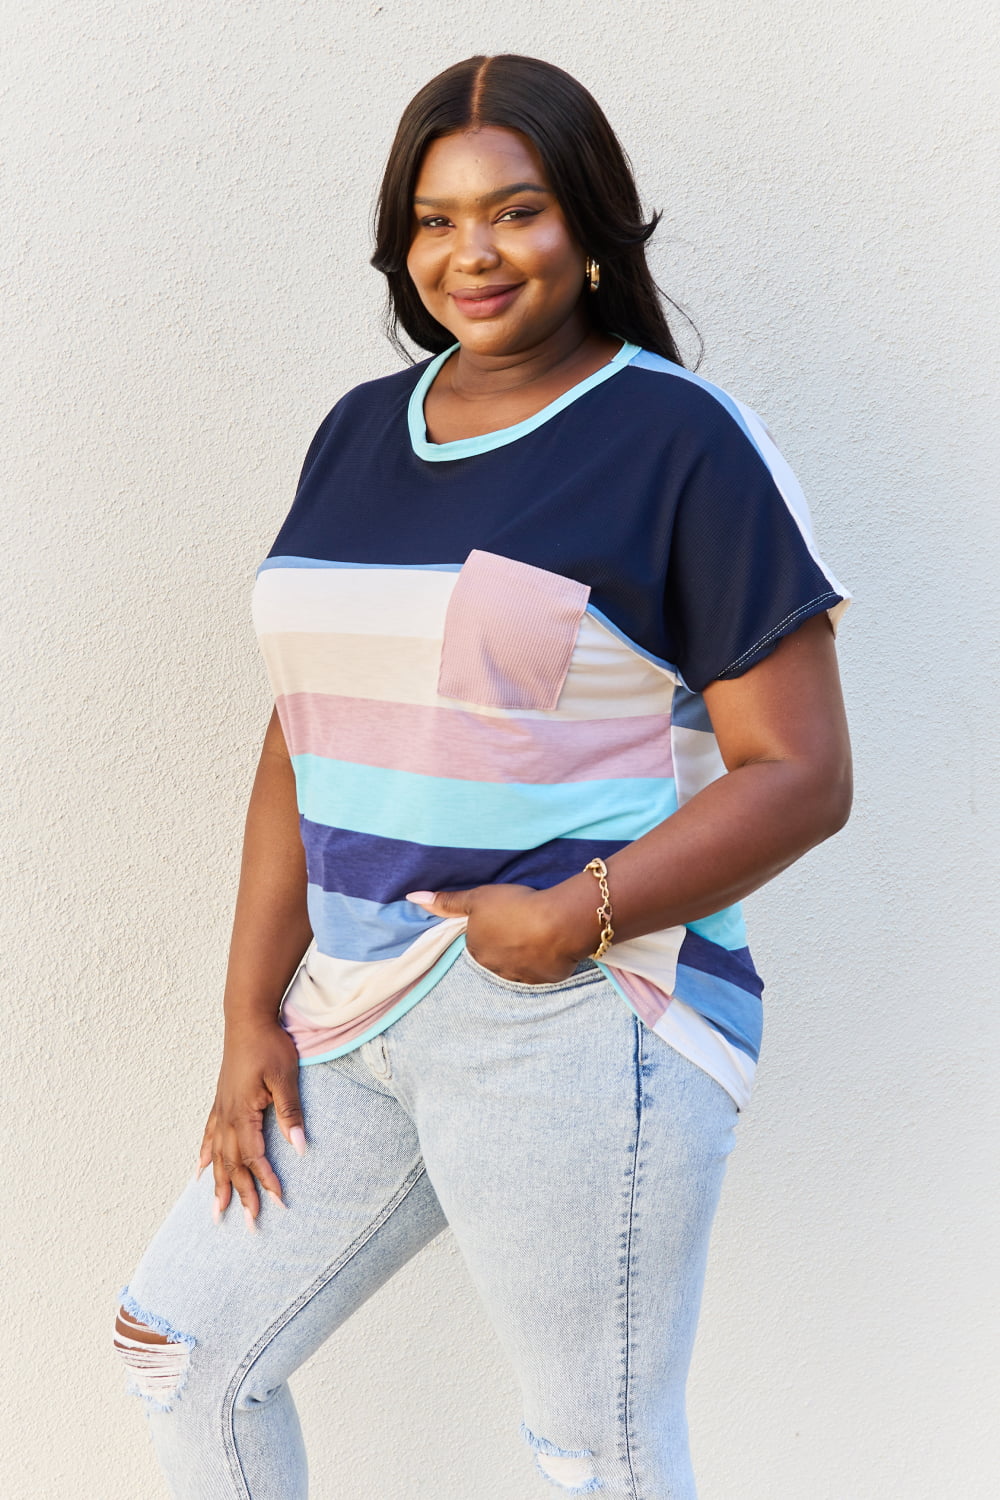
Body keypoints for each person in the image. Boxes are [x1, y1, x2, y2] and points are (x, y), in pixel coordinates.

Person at [114, 53, 852, 1499]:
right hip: (355, 1009)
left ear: (587, 226)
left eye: (514, 212)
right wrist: (247, 1007)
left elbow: (802, 773)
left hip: (572, 1013)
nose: (474, 253)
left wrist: (564, 917)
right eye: (437, 220)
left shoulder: (677, 444)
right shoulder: (355, 433)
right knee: (181, 1347)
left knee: (595, 1456)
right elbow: (304, 730)